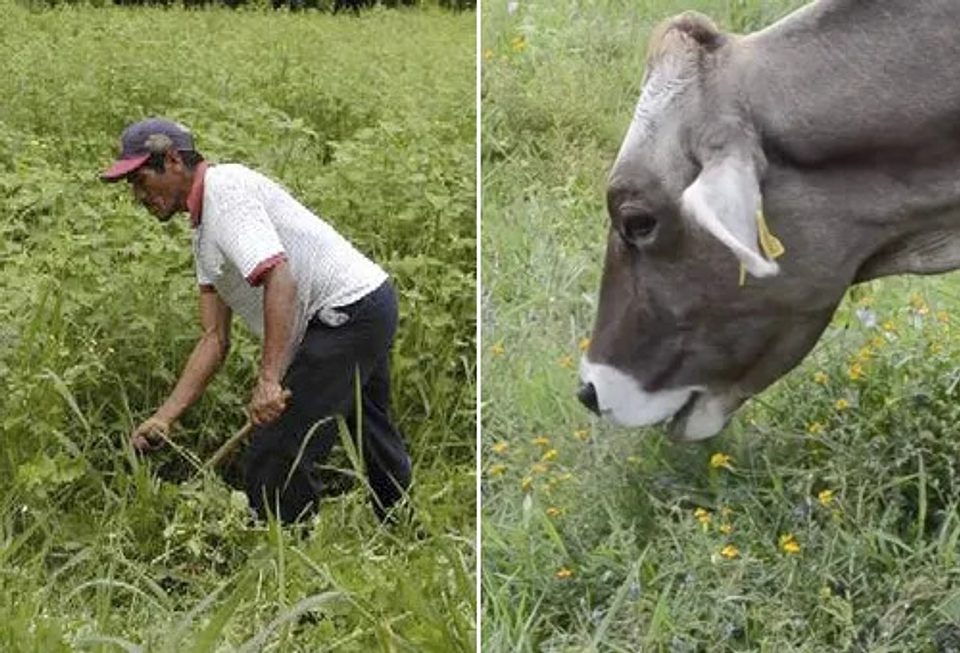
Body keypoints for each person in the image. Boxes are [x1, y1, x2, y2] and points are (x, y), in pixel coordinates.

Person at [101, 118, 412, 524]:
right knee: (370, 430)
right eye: (132, 187)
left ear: (174, 161)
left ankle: (286, 562)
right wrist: (165, 416)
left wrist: (270, 379)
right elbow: (214, 337)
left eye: (142, 180)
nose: (139, 195)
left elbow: (279, 277)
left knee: (278, 450)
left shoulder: (224, 192)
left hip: (347, 312)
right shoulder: (202, 228)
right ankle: (403, 527)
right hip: (365, 305)